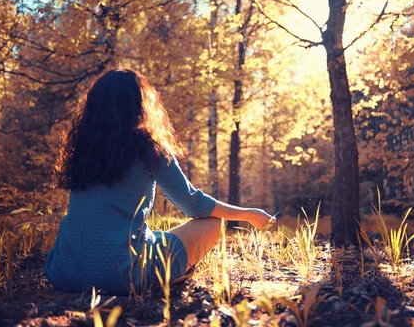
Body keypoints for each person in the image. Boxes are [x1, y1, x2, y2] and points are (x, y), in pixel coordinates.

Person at [44, 69, 275, 296]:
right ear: (140, 106)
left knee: (147, 235)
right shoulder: (149, 149)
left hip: (63, 271)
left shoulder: (81, 150)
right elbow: (193, 205)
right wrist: (248, 214)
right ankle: (170, 277)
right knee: (213, 225)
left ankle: (164, 270)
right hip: (123, 277)